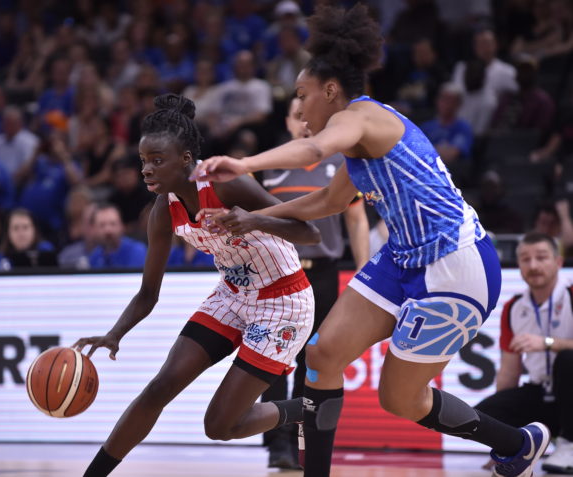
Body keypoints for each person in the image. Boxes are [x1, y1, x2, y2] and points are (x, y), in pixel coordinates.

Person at [192, 5, 550, 477]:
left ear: (331, 90)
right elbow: (329, 201)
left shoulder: (362, 118)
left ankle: (517, 442)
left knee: (400, 400)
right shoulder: (357, 143)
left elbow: (314, 150)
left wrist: (244, 164)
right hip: (404, 258)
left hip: (456, 264)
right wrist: (253, 217)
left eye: (303, 96)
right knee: (321, 354)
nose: (300, 109)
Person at [73, 94, 320, 477]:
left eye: (157, 161)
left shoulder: (229, 184)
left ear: (187, 159)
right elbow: (147, 295)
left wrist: (256, 220)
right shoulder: (161, 211)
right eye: (143, 162)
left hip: (284, 301)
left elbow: (309, 232)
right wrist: (114, 334)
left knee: (219, 426)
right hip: (233, 295)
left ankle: (303, 409)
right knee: (160, 386)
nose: (146, 170)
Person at [260, 94, 370, 469]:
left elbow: (356, 221)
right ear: (289, 122)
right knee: (272, 359)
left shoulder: (340, 162)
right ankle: (277, 443)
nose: (303, 122)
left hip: (323, 272)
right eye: (296, 116)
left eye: (307, 115)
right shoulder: (269, 166)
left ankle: (301, 440)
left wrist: (364, 271)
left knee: (314, 359)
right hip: (278, 273)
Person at [476, 233, 573, 474]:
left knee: (567, 360)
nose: (533, 266)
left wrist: (549, 343)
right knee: (485, 414)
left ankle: (570, 444)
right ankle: (518, 451)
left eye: (541, 258)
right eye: (525, 259)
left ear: (558, 262)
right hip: (542, 392)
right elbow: (509, 372)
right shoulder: (513, 307)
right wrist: (500, 439)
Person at [87, 204, 146, 270]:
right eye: (102, 225)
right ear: (94, 229)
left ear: (122, 226)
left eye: (113, 224)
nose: (108, 230)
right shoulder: (95, 256)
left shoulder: (137, 251)